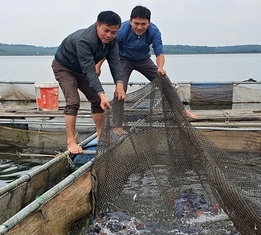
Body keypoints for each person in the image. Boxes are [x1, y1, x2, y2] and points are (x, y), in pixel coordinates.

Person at [97, 5, 198, 135]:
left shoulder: (154, 31)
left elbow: (159, 51)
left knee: (165, 82)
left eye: (143, 24)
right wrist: (98, 65)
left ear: (149, 23)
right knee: (120, 90)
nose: (139, 27)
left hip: (143, 60)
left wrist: (160, 68)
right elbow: (109, 49)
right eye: (136, 23)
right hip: (124, 59)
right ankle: (117, 126)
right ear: (130, 21)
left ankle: (182, 112)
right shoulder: (121, 31)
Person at [52, 11, 126, 154]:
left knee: (97, 99)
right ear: (97, 24)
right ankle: (71, 141)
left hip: (82, 69)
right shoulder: (85, 40)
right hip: (64, 67)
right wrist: (102, 93)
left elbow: (115, 63)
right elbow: (89, 71)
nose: (109, 35)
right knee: (73, 101)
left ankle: (101, 136)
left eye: (113, 32)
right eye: (106, 30)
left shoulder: (112, 41)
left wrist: (119, 84)